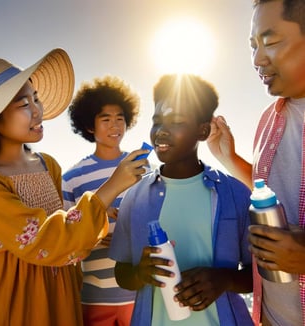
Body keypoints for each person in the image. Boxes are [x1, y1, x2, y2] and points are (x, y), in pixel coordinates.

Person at [0, 48, 149, 326]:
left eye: (36, 98)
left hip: (63, 290)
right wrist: (111, 187)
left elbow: (67, 228)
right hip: (15, 297)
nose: (37, 111)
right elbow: (42, 240)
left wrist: (102, 213)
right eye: (23, 105)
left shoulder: (49, 165)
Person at [109, 74, 254, 325]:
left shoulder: (235, 193)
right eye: (156, 122)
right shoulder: (134, 197)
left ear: (203, 130)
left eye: (175, 122)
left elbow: (259, 274)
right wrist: (139, 273)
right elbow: (122, 272)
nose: (161, 131)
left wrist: (225, 280)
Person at [207, 1, 305, 325]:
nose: (257, 59)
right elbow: (274, 195)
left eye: (271, 41)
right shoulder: (269, 120)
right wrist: (228, 158)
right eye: (253, 46)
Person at [62, 75, 140, 326]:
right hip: (93, 298)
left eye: (120, 118)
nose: (114, 125)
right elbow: (65, 238)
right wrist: (95, 237)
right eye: (105, 119)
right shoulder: (72, 178)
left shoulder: (142, 168)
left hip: (139, 291)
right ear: (89, 126)